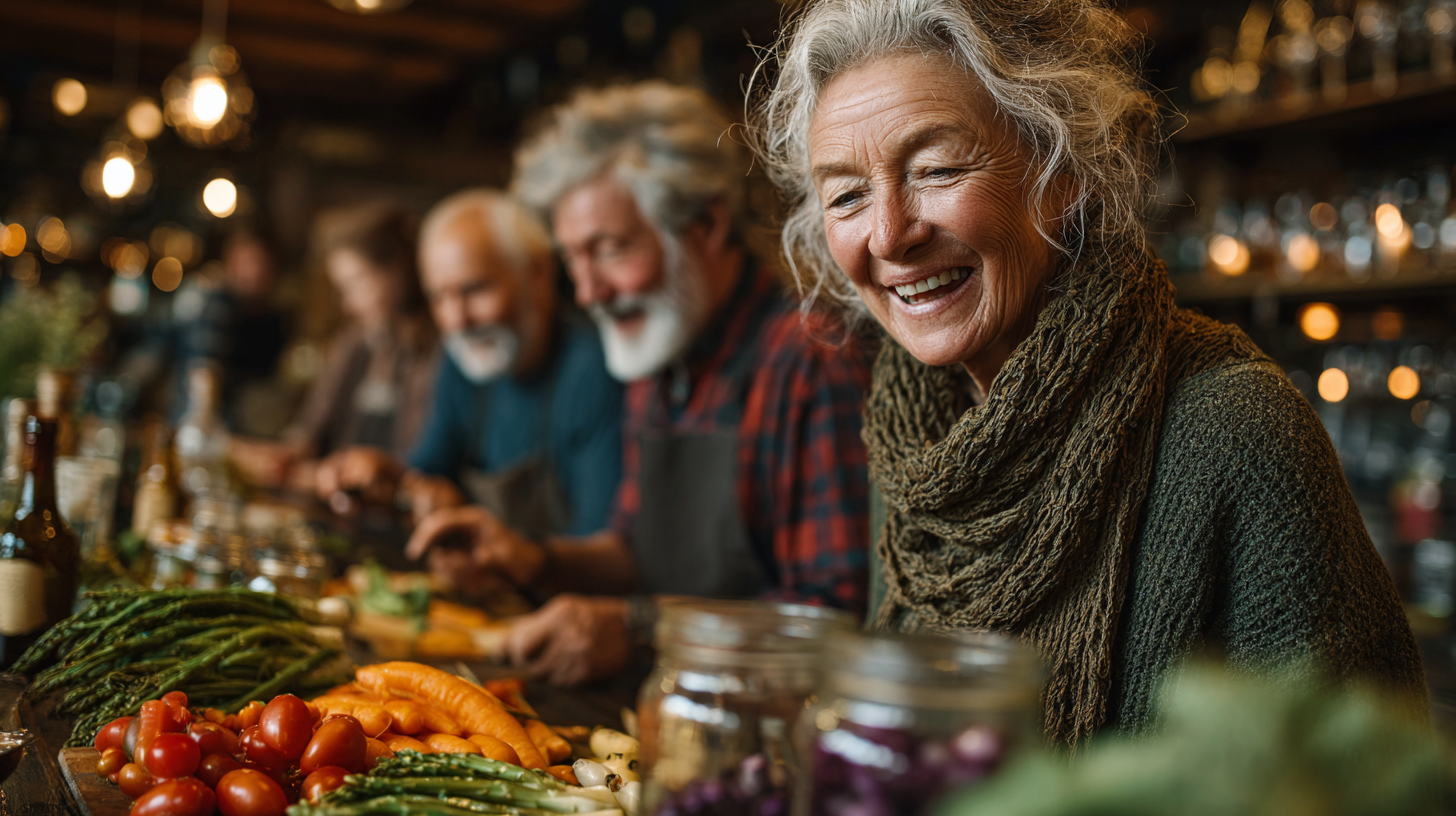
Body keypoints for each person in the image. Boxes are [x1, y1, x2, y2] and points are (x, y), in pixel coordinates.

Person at [750, 0, 1427, 745]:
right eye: (846, 195)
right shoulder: (915, 444)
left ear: (1062, 171)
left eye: (937, 169)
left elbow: (1370, 779)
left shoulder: (1233, 429)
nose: (889, 234)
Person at [406, 81, 874, 686]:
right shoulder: (659, 358)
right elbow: (634, 553)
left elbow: (834, 618)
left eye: (610, 249)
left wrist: (638, 631)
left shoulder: (809, 358)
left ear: (705, 225)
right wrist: (530, 558)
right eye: (575, 259)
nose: (589, 291)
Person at [314, 190, 623, 544]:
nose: (457, 320)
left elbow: (599, 538)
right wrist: (386, 476)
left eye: (474, 290)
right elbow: (429, 466)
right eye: (439, 297)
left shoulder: (593, 370)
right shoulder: (464, 359)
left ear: (539, 274)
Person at [231, 204, 439, 490]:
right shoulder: (355, 341)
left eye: (357, 284)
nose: (348, 303)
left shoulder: (436, 351)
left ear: (396, 270)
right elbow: (310, 431)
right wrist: (288, 454)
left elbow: (419, 468)